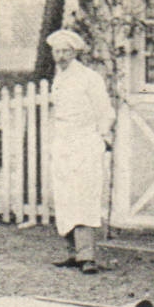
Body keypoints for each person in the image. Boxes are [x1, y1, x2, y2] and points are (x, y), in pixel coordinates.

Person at [46, 28, 115, 273]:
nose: (61, 56)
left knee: (84, 195)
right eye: (57, 51)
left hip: (85, 142)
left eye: (66, 51)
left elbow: (104, 111)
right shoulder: (60, 78)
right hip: (64, 142)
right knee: (64, 197)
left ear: (74, 52)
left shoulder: (89, 78)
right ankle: (73, 253)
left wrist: (102, 136)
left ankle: (88, 257)